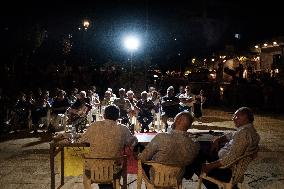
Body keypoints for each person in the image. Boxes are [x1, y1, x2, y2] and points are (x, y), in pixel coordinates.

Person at [80, 105, 138, 189]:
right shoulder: (123, 129)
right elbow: (133, 142)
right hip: (113, 169)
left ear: (104, 115)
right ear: (118, 116)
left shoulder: (94, 126)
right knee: (117, 162)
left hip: (93, 168)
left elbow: (82, 140)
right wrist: (134, 137)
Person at [201, 107, 260, 189]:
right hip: (232, 164)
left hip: (227, 169)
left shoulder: (243, 134)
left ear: (246, 118)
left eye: (236, 116)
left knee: (196, 161)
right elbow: (231, 135)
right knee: (203, 147)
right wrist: (218, 139)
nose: (233, 119)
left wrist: (209, 166)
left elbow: (230, 158)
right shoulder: (249, 130)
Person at [138, 111, 200, 178]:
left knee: (143, 159)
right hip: (177, 179)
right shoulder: (194, 145)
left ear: (178, 121)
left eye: (175, 119)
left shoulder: (161, 137)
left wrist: (138, 155)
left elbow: (143, 158)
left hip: (157, 177)